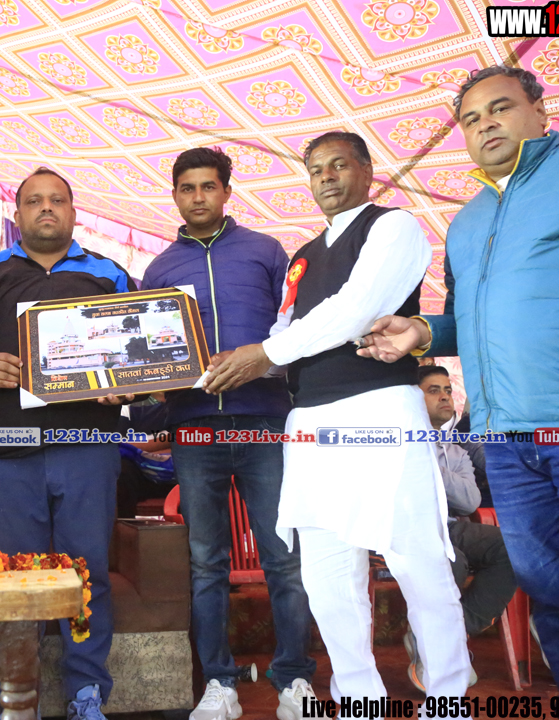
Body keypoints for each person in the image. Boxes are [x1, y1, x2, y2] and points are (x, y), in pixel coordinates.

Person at [358, 65, 559, 696]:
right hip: (505, 442)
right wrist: (421, 331)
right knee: (554, 599)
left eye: (500, 108)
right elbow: (471, 321)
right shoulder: (467, 223)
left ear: (540, 111)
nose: (485, 125)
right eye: (471, 119)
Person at [204, 132, 470, 698]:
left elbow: (357, 309)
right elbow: (283, 336)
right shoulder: (301, 257)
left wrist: (264, 355)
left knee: (417, 563)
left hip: (381, 411)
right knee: (325, 574)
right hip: (309, 421)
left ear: (367, 170)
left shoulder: (393, 226)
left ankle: (447, 699)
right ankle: (358, 699)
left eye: (338, 165)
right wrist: (211, 369)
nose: (325, 177)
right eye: (315, 169)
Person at [0, 168, 135, 720]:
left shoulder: (109, 274)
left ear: (73, 211)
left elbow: (139, 350)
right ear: (17, 213)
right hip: (7, 453)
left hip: (87, 448)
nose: (46, 208)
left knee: (86, 573)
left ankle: (86, 691)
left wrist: (126, 385)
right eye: (34, 201)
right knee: (14, 576)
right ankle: (17, 692)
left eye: (57, 200)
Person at [139, 147, 317, 720]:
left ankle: (295, 679)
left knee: (284, 558)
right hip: (194, 430)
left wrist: (267, 365)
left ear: (226, 192)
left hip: (266, 423)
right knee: (206, 563)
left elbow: (294, 330)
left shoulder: (267, 252)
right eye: (187, 188)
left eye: (208, 186)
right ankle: (219, 685)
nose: (198, 197)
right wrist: (147, 396)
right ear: (175, 195)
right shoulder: (158, 270)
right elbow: (148, 356)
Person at [414, 365, 515, 690]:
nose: (445, 396)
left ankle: (451, 636)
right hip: (406, 529)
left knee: (511, 548)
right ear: (412, 399)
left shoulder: (456, 451)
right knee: (453, 561)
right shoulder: (393, 441)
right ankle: (437, 650)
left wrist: (429, 462)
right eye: (434, 391)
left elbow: (469, 501)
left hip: (448, 526)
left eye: (448, 390)